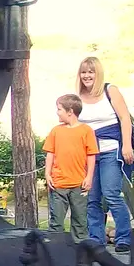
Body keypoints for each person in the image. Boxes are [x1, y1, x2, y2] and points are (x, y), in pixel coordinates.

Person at [76, 56, 134, 253]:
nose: (87, 76)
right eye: (84, 72)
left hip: (111, 149)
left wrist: (126, 145)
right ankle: (96, 239)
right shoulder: (77, 96)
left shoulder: (110, 91)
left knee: (111, 194)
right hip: (89, 154)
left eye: (91, 72)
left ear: (98, 73)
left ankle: (123, 237)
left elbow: (124, 118)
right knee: (91, 198)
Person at [43, 94, 97, 242]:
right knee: (56, 221)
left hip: (79, 185)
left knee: (80, 221)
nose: (57, 112)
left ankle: (80, 251)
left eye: (59, 109)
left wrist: (89, 177)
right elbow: (50, 153)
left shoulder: (86, 130)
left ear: (70, 111)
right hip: (58, 184)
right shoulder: (56, 131)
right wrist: (47, 174)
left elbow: (91, 155)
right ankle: (55, 250)